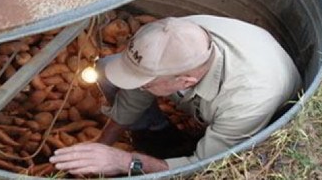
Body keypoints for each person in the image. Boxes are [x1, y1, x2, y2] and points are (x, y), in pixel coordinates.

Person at [49, 15, 301, 176]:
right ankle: (157, 134)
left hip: (260, 116)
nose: (139, 87)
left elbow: (205, 166)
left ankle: (172, 147)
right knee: (105, 68)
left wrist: (125, 161)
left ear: (185, 82)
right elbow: (136, 89)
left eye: (147, 84)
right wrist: (103, 144)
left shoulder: (247, 100)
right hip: (221, 76)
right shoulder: (176, 33)